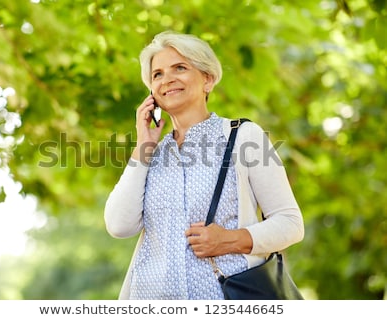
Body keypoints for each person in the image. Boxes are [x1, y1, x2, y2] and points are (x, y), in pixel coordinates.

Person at [104, 31, 304, 300]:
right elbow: (119, 225)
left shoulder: (243, 137)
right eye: (157, 74)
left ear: (207, 79)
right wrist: (143, 148)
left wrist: (229, 239)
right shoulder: (151, 154)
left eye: (180, 68)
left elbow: (290, 223)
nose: (168, 79)